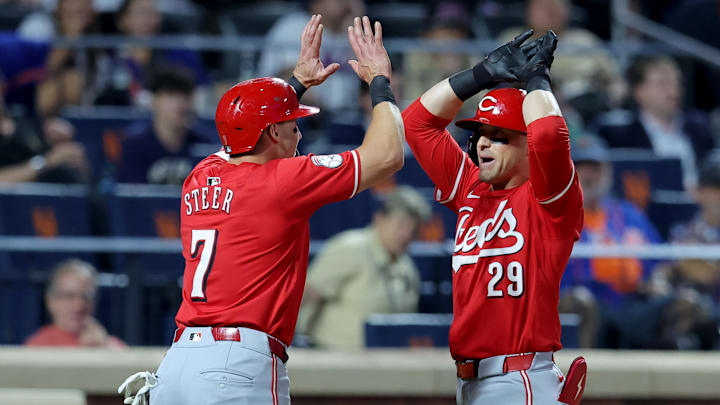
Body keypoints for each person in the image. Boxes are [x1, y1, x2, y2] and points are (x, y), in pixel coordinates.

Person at [118, 15, 404, 405]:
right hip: (235, 365)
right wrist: (380, 82)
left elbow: (241, 129)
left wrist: (297, 83)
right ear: (272, 133)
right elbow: (387, 155)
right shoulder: (284, 180)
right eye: (291, 126)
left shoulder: (201, 174)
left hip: (176, 364)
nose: (299, 133)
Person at [402, 29, 587, 404]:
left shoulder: (548, 198)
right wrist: (480, 75)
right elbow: (416, 123)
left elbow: (550, 133)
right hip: (471, 382)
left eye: (499, 135)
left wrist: (538, 78)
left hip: (519, 378)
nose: (483, 143)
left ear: (527, 147)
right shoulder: (473, 189)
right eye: (480, 134)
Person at [560, 135, 665, 349]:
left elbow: (662, 263)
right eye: (581, 168)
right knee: (581, 301)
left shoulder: (630, 215)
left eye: (595, 168)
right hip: (589, 304)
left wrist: (659, 279)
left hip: (634, 305)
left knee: (685, 303)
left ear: (607, 173)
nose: (588, 176)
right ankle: (582, 375)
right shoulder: (554, 218)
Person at [296, 185, 431, 349]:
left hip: (387, 363)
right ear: (380, 219)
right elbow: (305, 295)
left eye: (414, 230)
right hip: (333, 357)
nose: (407, 235)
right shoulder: (350, 248)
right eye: (401, 225)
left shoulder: (408, 269)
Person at [596, 56, 715, 190]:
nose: (673, 92)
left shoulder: (699, 128)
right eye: (663, 84)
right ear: (639, 91)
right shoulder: (620, 135)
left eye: (677, 83)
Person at [115, 68, 208, 185]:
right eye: (170, 96)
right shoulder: (134, 147)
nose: (179, 104)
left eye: (185, 96)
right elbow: (131, 199)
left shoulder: (203, 145)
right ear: (154, 101)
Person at [24, 259, 126, 348]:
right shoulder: (37, 346)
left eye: (86, 297)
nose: (79, 306)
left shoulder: (111, 346)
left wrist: (104, 349)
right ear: (51, 301)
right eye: (69, 296)